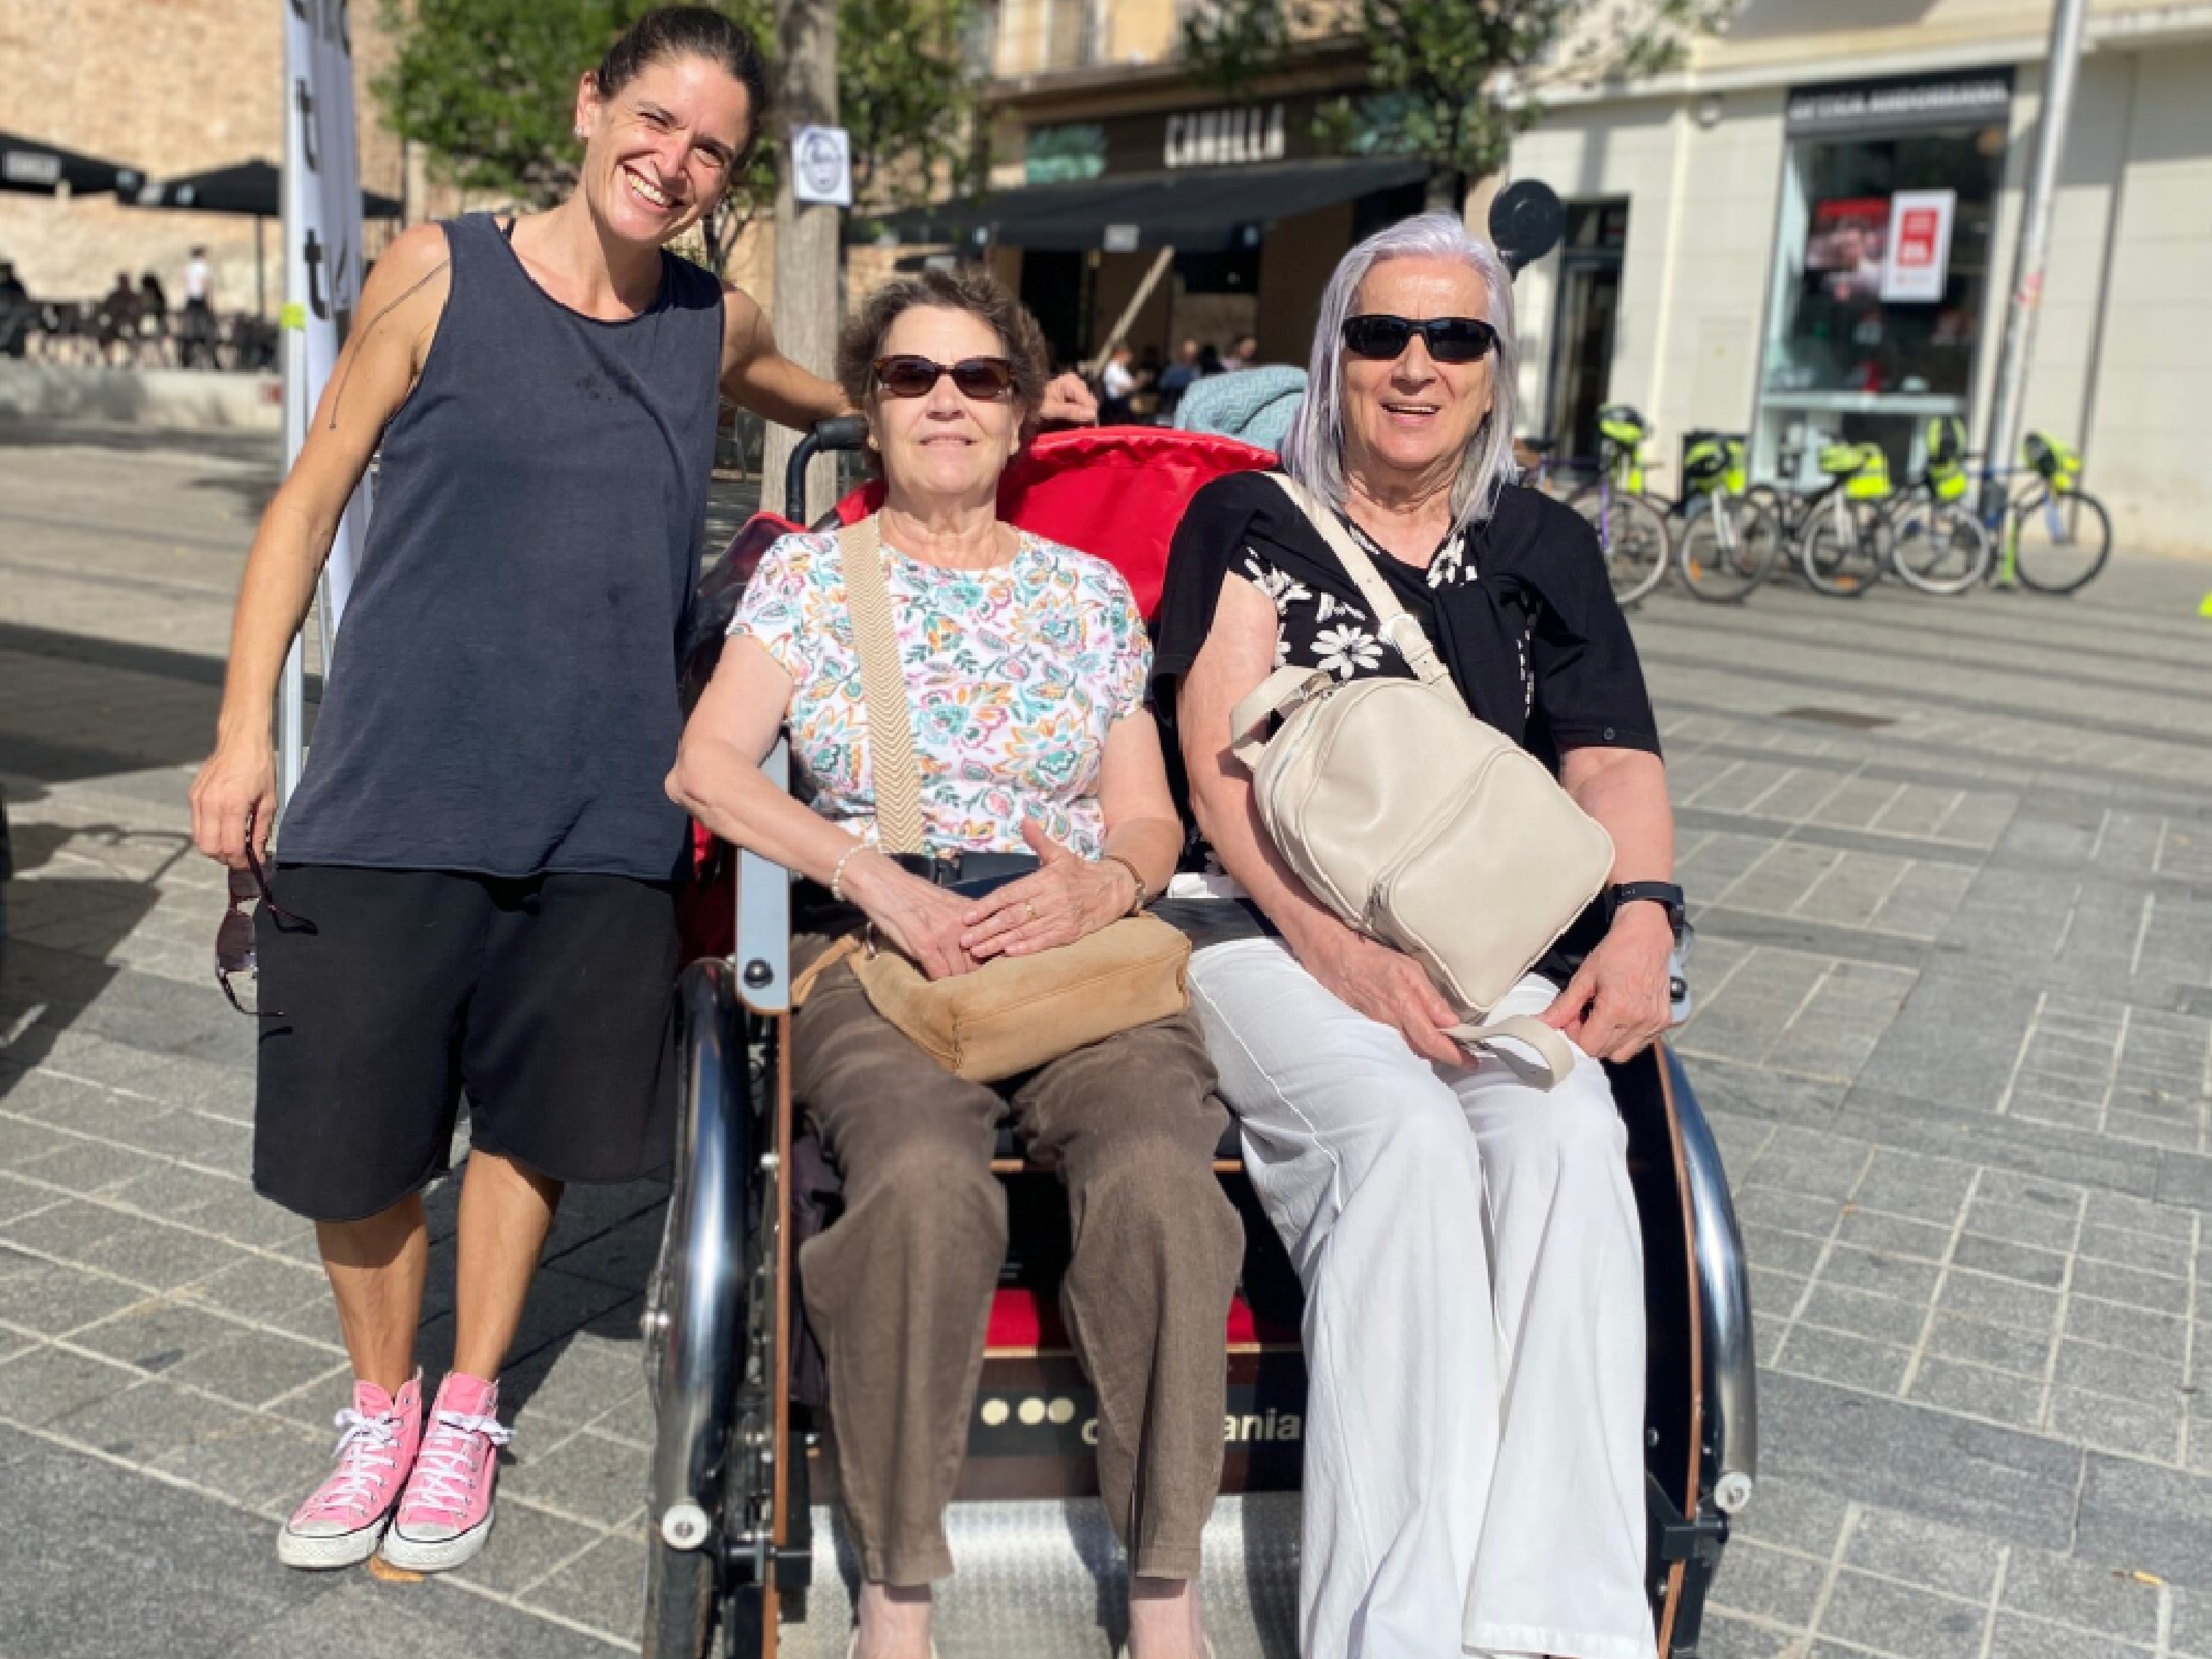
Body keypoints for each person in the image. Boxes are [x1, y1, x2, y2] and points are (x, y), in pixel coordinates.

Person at [185, 5, 1096, 1581]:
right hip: (394, 781)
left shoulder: (709, 320)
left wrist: (1003, 406)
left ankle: (468, 1405)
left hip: (605, 803)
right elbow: (311, 492)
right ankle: (380, 1403)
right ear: (591, 102)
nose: (672, 165)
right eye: (654, 123)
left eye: (711, 152)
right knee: (357, 1142)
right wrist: (243, 736)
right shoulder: (436, 270)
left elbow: (835, 399)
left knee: (531, 1129)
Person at [670, 267, 1240, 1659]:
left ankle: (1165, 1586)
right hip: (884, 943)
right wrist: (868, 875)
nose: (945, 401)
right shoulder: (812, 581)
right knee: (921, 1184)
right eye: (913, 378)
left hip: (1071, 946)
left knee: (1165, 1174)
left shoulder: (1089, 595)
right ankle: (899, 1590)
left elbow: (1152, 810)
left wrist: (1105, 882)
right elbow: (703, 769)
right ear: (870, 411)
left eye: (978, 378)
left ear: (1018, 415)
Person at [1151, 211, 1678, 1659]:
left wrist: (1644, 923)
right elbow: (1217, 773)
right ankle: (1392, 1629)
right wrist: (1345, 958)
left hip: (1483, 936)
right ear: (1335, 356)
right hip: (1261, 926)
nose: (1416, 365)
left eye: (1455, 337)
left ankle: (1554, 1618)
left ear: (1497, 368)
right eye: (1382, 334)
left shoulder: (1543, 544)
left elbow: (1612, 759)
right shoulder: (1248, 523)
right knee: (1405, 1140)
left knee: (1574, 1140)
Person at [180, 245, 215, 369]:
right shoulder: (203, 267)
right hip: (200, 300)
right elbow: (204, 284)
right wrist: (210, 303)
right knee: (205, 330)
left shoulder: (188, 268)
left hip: (191, 299)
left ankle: (186, 359)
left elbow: (186, 283)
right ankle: (209, 359)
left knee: (190, 330)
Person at [1099, 339, 1139, 420]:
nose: (1131, 358)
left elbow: (1131, 385)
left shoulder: (1122, 368)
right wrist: (1140, 381)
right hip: (1117, 406)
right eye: (1129, 354)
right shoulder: (1112, 369)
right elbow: (1121, 389)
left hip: (1124, 403)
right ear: (1120, 354)